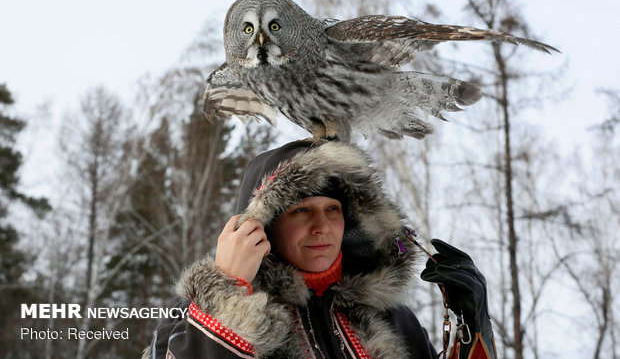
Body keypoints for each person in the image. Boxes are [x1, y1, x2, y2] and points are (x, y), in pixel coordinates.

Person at [143, 139, 497, 359]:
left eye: (333, 210)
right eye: (301, 211)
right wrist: (227, 301)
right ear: (264, 225)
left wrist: (471, 324)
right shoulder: (195, 317)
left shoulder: (393, 320)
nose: (322, 226)